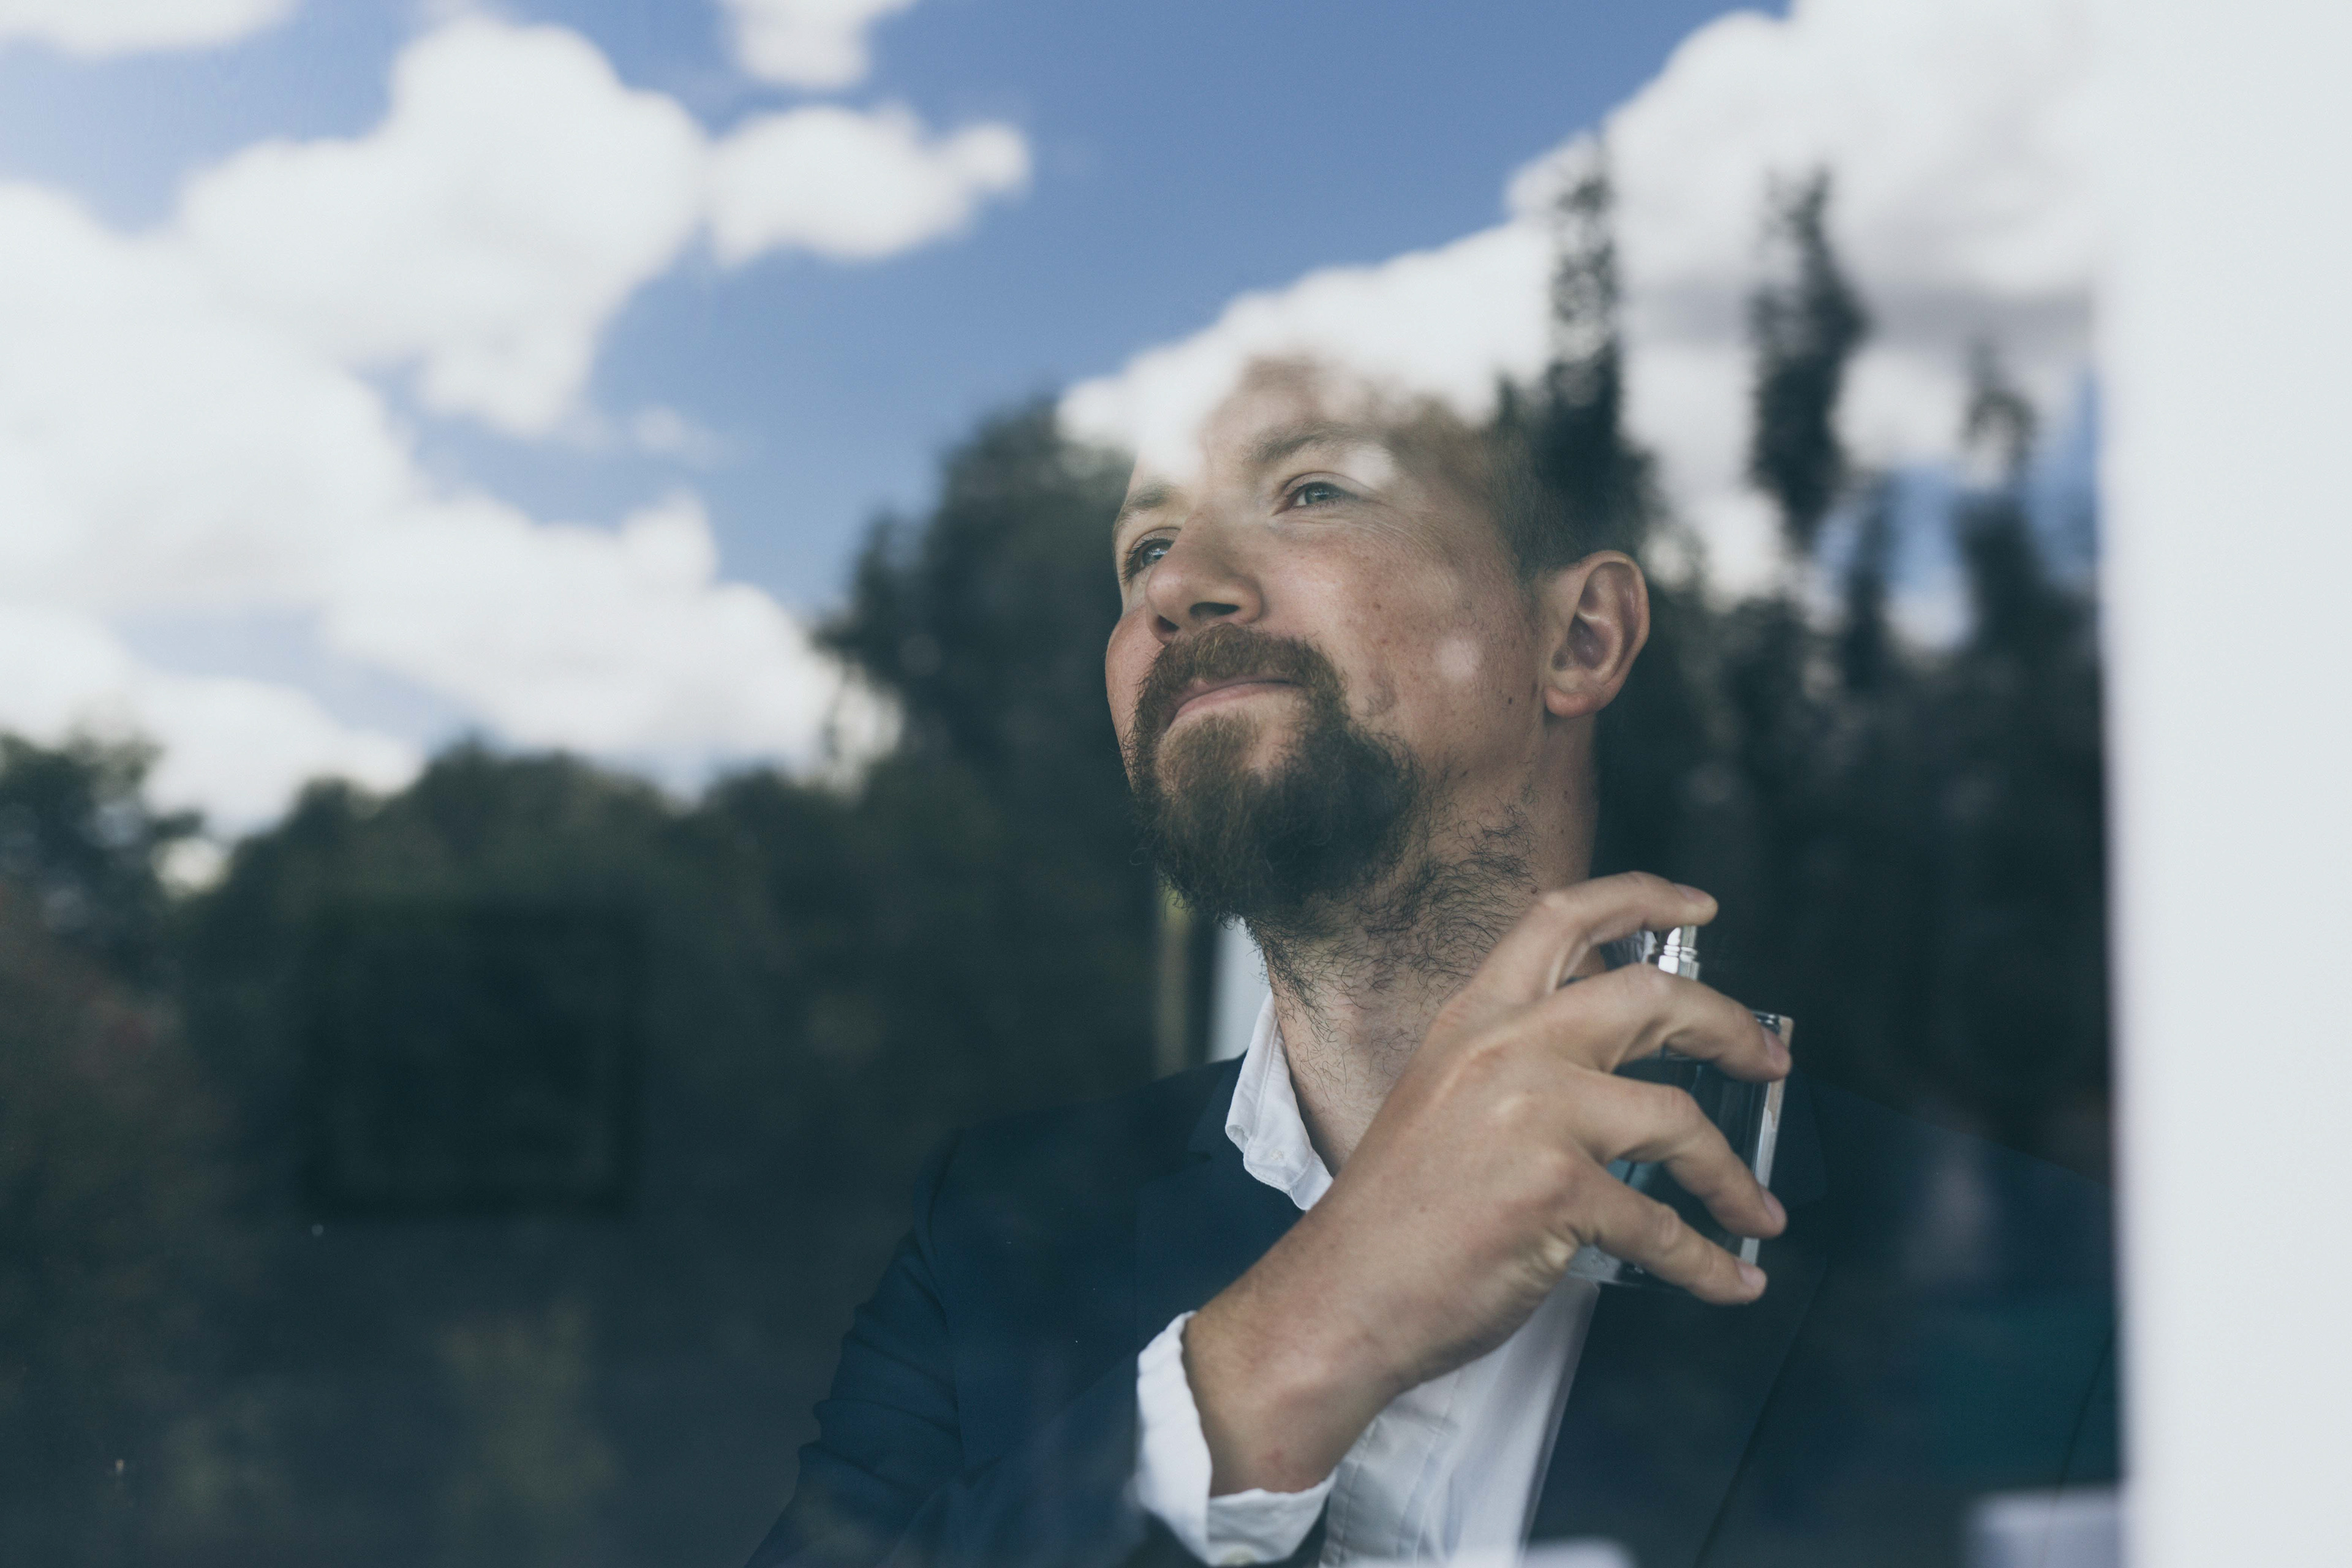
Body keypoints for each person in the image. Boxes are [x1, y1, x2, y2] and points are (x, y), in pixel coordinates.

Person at [745, 360, 2116, 1568]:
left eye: (1312, 491)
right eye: (1145, 544)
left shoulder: (2022, 1279)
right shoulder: (994, 1231)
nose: (1171, 583)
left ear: (1579, 637)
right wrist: (1292, 1342)